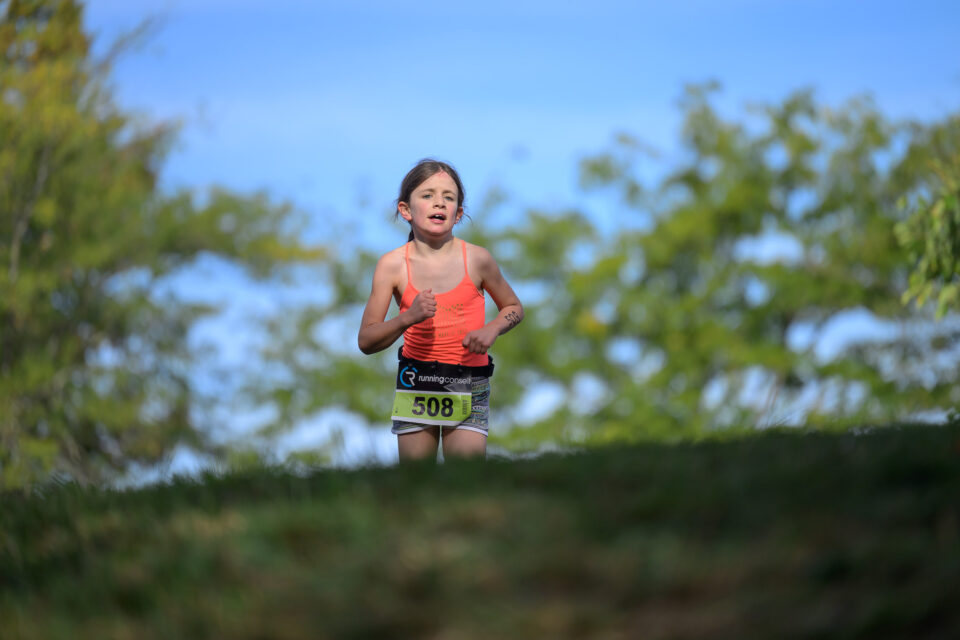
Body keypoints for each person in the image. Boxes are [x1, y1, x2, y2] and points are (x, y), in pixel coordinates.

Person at [357, 159, 523, 462]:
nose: (439, 203)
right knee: (416, 484)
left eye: (449, 197)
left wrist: (491, 329)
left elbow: (513, 307)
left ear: (458, 213)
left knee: (466, 477)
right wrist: (408, 317)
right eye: (428, 195)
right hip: (415, 380)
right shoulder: (392, 265)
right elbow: (366, 340)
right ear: (405, 209)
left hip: (469, 379)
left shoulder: (478, 259)